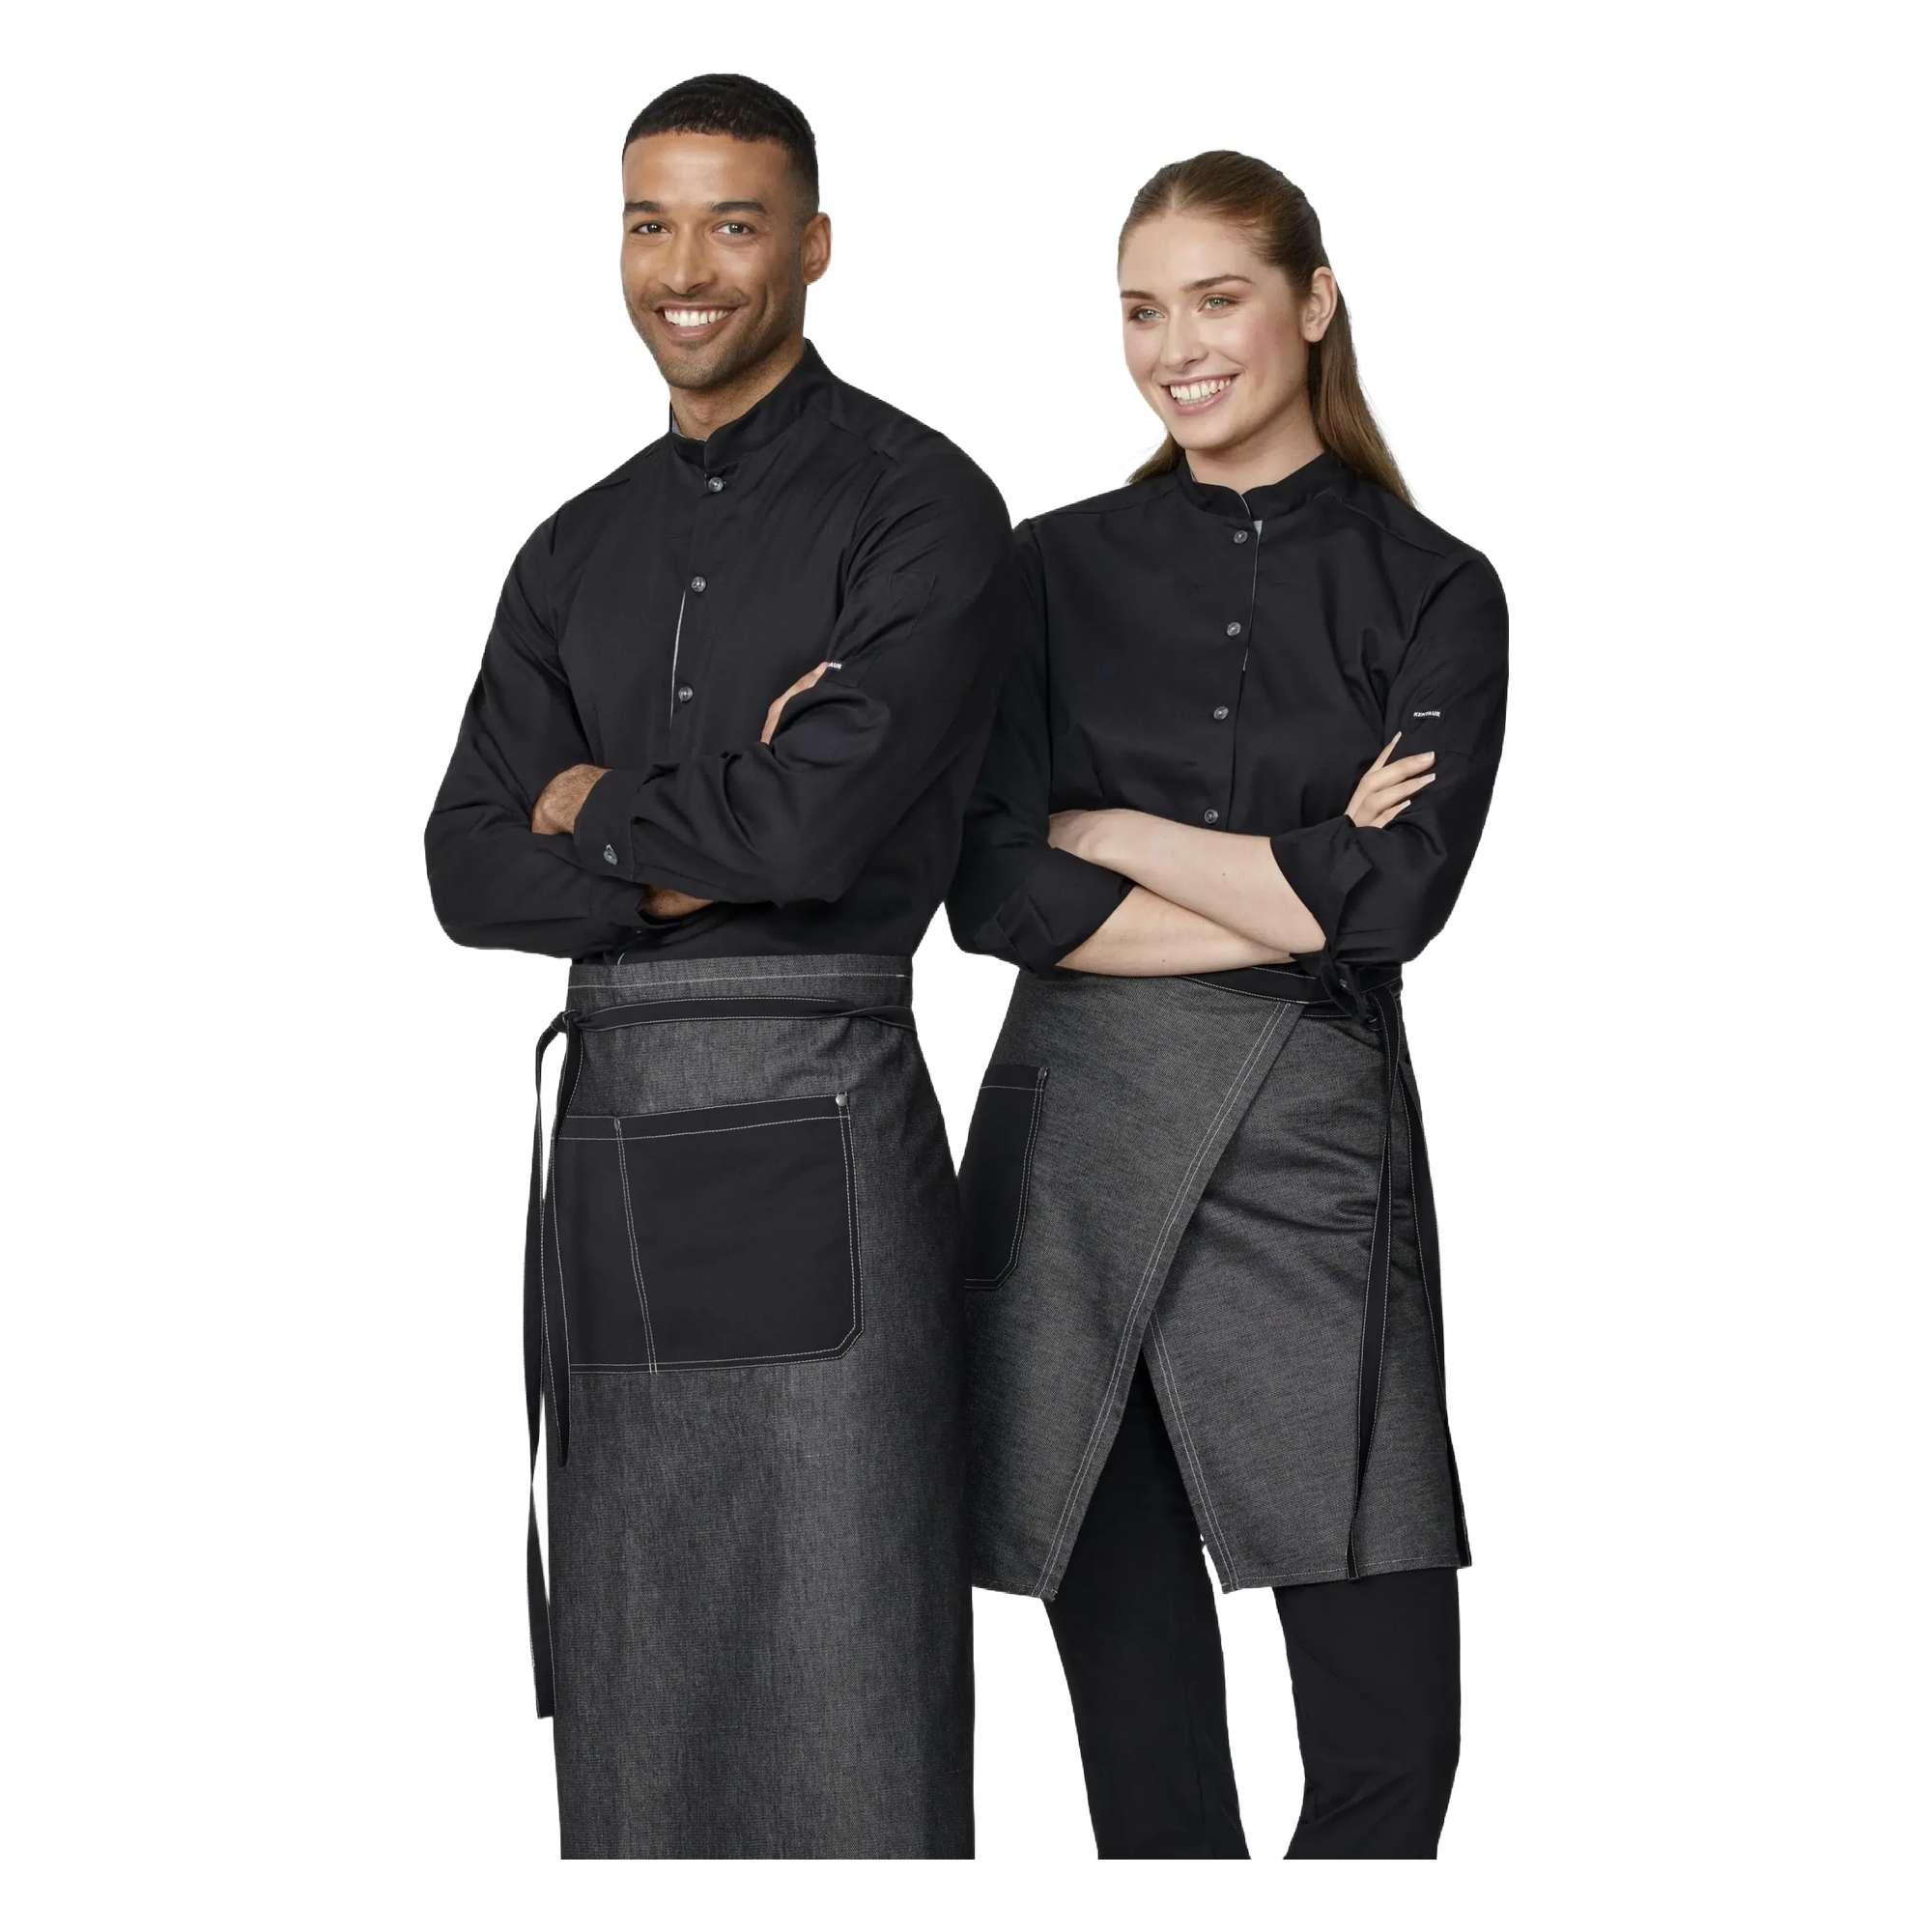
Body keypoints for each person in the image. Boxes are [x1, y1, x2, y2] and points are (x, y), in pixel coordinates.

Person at [425, 73, 1017, 1860]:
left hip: (826, 1117)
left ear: (814, 245)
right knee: (640, 1692)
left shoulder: (925, 509)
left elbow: (814, 840)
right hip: (617, 1150)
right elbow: (463, 864)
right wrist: (715, 827)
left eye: (733, 224)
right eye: (650, 223)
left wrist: (595, 810)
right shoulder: (571, 547)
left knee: (852, 1673)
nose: (685, 270)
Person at [947, 150, 1508, 1859]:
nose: (1175, 348)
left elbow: (1397, 906)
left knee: (1389, 1743)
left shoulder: (1436, 589)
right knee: (1148, 1770)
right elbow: (994, 897)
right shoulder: (1042, 572)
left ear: (1313, 303)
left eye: (1217, 299)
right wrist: (1296, 883)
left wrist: (1114, 833)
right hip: (1076, 1170)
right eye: (1141, 310)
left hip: (1310, 1159)